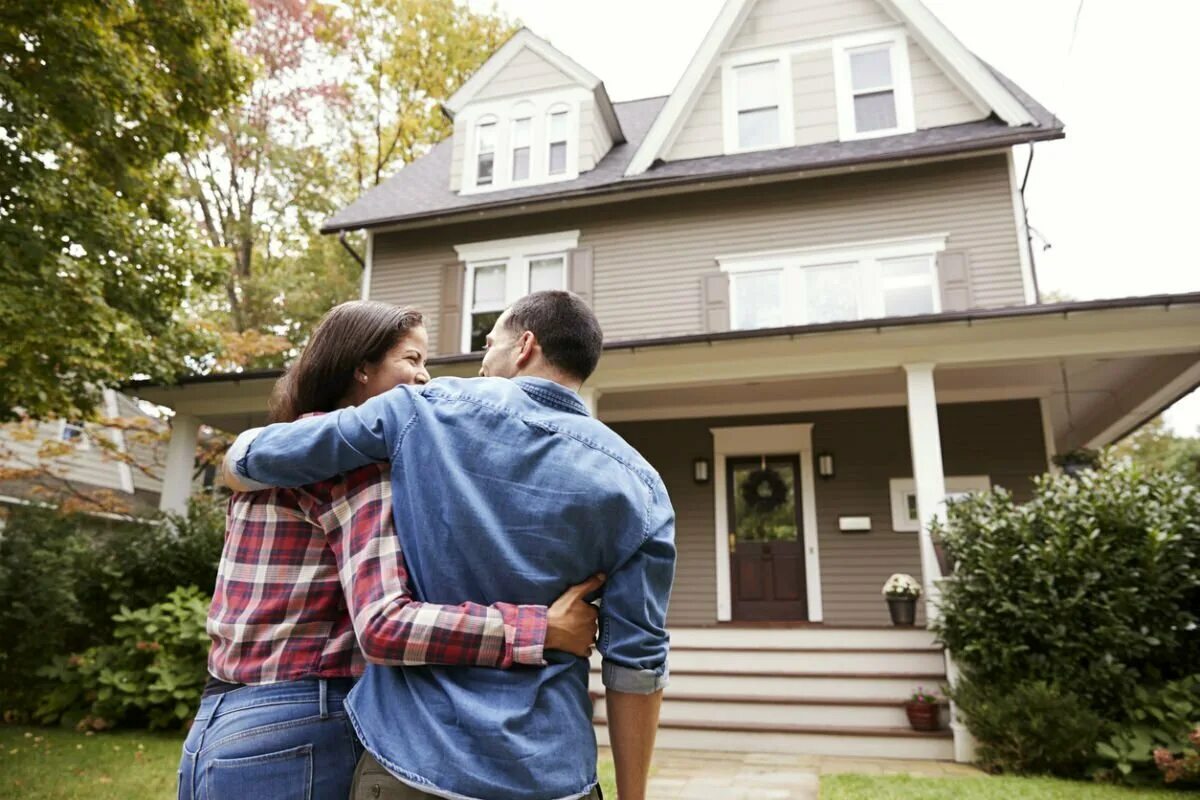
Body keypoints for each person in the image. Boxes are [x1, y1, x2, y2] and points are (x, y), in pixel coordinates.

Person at [224, 290, 675, 800]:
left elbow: (254, 458)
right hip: (551, 771)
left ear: (524, 346)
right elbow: (637, 663)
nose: (481, 364)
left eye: (489, 344)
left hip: (414, 763)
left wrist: (236, 459)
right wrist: (632, 795)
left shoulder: (420, 411)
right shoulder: (642, 485)